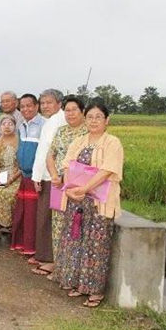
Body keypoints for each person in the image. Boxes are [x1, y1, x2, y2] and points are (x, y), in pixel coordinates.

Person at [52, 101, 124, 308]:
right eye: (90, 117)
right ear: (86, 118)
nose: (93, 121)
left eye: (98, 117)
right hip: (76, 201)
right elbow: (67, 164)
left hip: (99, 203)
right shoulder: (80, 141)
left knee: (96, 245)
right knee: (77, 241)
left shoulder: (112, 143)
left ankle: (95, 290)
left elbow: (107, 170)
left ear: (107, 120)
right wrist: (71, 187)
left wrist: (85, 188)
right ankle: (77, 284)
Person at [43, 96, 88, 278]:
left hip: (79, 187)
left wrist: (69, 178)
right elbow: (50, 156)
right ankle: (59, 266)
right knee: (58, 226)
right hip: (58, 185)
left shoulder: (87, 133)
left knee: (75, 228)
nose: (70, 114)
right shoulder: (61, 131)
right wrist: (54, 175)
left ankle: (73, 271)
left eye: (74, 110)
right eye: (67, 110)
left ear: (82, 111)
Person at [29, 89, 67, 269]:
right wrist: (37, 176)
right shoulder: (51, 121)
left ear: (59, 103)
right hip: (45, 175)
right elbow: (42, 150)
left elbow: (49, 152)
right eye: (42, 103)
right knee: (44, 216)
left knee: (50, 218)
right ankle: (43, 255)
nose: (45, 106)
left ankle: (50, 259)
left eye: (49, 102)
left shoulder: (60, 121)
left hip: (52, 176)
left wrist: (38, 176)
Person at [10, 94, 45, 256]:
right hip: (24, 175)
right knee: (23, 213)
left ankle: (35, 249)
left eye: (29, 106)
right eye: (22, 106)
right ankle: (24, 245)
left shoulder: (44, 125)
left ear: (36, 106)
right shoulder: (21, 125)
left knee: (34, 215)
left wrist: (37, 175)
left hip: (37, 177)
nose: (25, 109)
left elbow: (45, 153)